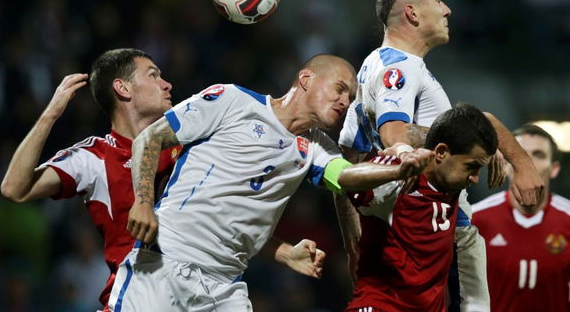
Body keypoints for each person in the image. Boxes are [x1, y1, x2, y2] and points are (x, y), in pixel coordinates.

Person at [0, 48, 326, 310]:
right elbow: (14, 188)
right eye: (153, 75)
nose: (167, 84)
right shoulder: (95, 157)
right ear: (122, 88)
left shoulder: (191, 145)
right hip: (142, 290)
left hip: (201, 290)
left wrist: (282, 252)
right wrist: (50, 114)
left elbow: (225, 224)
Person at [107, 54, 434, 312]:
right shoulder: (231, 101)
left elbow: (346, 177)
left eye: (350, 97)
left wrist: (397, 169)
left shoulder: (316, 148)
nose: (345, 101)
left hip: (225, 286)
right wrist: (144, 201)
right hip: (166, 263)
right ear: (306, 79)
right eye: (340, 89)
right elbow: (149, 138)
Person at [336, 0, 544, 310]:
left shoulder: (375, 64)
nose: (447, 9)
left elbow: (347, 160)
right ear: (412, 13)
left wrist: (351, 234)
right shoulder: (400, 68)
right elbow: (395, 133)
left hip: (405, 238)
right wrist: (490, 148)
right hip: (436, 229)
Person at [341, 103, 498, 312]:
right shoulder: (402, 174)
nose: (476, 178)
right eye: (471, 166)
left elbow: (463, 125)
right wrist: (397, 171)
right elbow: (346, 178)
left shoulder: (451, 184)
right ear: (441, 153)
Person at [473, 124, 570, 311]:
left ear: (554, 168)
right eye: (520, 154)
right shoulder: (476, 219)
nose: (528, 162)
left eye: (538, 154)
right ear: (506, 164)